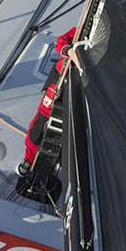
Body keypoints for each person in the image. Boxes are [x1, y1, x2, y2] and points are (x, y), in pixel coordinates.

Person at [17, 28, 76, 179]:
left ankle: (59, 164)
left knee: (70, 129)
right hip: (59, 81)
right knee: (41, 121)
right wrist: (69, 51)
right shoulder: (82, 29)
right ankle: (29, 158)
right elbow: (61, 41)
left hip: (79, 88)